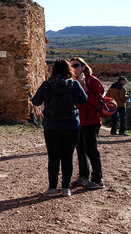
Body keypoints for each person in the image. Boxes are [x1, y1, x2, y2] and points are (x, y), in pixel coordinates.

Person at [31, 59, 87, 197]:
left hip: (52, 126)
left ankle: (52, 188)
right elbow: (84, 99)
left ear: (54, 69)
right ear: (69, 70)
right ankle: (66, 188)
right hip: (72, 126)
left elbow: (36, 101)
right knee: (68, 157)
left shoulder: (47, 85)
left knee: (54, 157)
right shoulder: (74, 84)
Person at [69, 56, 106, 190]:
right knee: (80, 149)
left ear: (84, 67)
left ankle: (98, 179)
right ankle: (83, 176)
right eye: (71, 65)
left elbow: (97, 101)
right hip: (79, 120)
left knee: (91, 149)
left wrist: (85, 88)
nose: (74, 68)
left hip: (91, 120)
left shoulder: (93, 81)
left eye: (76, 65)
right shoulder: (73, 81)